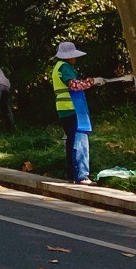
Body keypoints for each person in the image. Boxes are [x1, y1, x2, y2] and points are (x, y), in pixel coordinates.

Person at [50, 41, 105, 184]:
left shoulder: (57, 67)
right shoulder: (65, 67)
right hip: (72, 108)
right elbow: (74, 86)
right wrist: (92, 82)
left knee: (71, 141)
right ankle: (81, 175)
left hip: (64, 109)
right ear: (68, 57)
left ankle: (72, 175)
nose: (75, 59)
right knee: (79, 140)